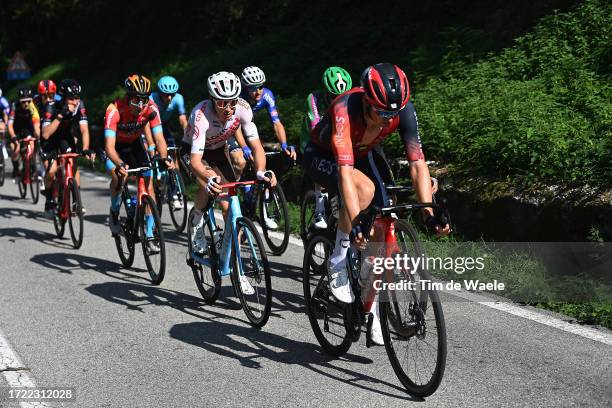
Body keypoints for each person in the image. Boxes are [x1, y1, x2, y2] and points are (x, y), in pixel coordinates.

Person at [304, 62, 450, 344]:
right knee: (364, 190)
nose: (387, 119)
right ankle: (338, 256)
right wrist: (357, 220)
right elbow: (345, 172)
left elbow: (418, 165)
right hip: (322, 154)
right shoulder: (344, 109)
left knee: (385, 220)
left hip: (364, 151)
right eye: (381, 112)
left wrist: (429, 215)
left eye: (392, 113)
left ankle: (371, 308)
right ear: (368, 101)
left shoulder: (402, 109)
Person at [183, 71, 276, 294]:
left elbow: (257, 147)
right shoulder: (201, 115)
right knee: (209, 183)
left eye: (232, 101)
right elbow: (195, 161)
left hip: (220, 151)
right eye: (222, 102)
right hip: (195, 153)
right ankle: (196, 221)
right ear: (213, 100)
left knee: (229, 208)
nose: (228, 107)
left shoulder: (242, 108)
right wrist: (208, 177)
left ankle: (235, 267)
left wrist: (262, 171)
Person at [104, 74, 172, 254]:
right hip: (116, 148)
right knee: (120, 176)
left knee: (148, 183)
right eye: (136, 100)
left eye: (144, 99)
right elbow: (109, 147)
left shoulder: (151, 109)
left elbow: (159, 137)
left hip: (134, 145)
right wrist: (119, 163)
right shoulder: (114, 110)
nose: (140, 105)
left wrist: (164, 158)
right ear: (128, 97)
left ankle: (149, 234)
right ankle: (114, 212)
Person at [302, 66, 353, 229]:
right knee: (322, 167)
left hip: (336, 139)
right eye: (334, 96)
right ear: (326, 92)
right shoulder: (314, 99)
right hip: (312, 140)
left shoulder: (351, 100)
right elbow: (315, 127)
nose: (339, 100)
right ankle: (319, 211)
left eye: (343, 96)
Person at [41, 79, 94, 218]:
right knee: (51, 171)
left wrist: (86, 148)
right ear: (63, 98)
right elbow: (45, 134)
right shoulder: (51, 106)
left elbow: (84, 130)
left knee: (73, 159)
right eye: (71, 99)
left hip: (65, 135)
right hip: (50, 138)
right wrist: (59, 116)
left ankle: (76, 200)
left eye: (77, 98)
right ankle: (49, 199)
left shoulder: (79, 105)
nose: (75, 102)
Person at [149, 75, 188, 208]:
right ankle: (154, 174)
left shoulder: (178, 99)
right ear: (159, 93)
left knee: (173, 152)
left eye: (172, 94)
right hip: (148, 127)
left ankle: (174, 190)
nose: (169, 98)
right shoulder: (151, 99)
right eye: (165, 95)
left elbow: (183, 120)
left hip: (163, 127)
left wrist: (188, 135)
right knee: (151, 151)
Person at [7, 88, 40, 180]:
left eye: (29, 101)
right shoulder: (14, 106)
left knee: (32, 146)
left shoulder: (32, 107)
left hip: (27, 129)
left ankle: (32, 166)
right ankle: (16, 170)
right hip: (15, 129)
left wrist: (37, 134)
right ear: (19, 101)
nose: (26, 104)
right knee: (15, 149)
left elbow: (36, 122)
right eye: (23, 102)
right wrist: (13, 138)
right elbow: (9, 125)